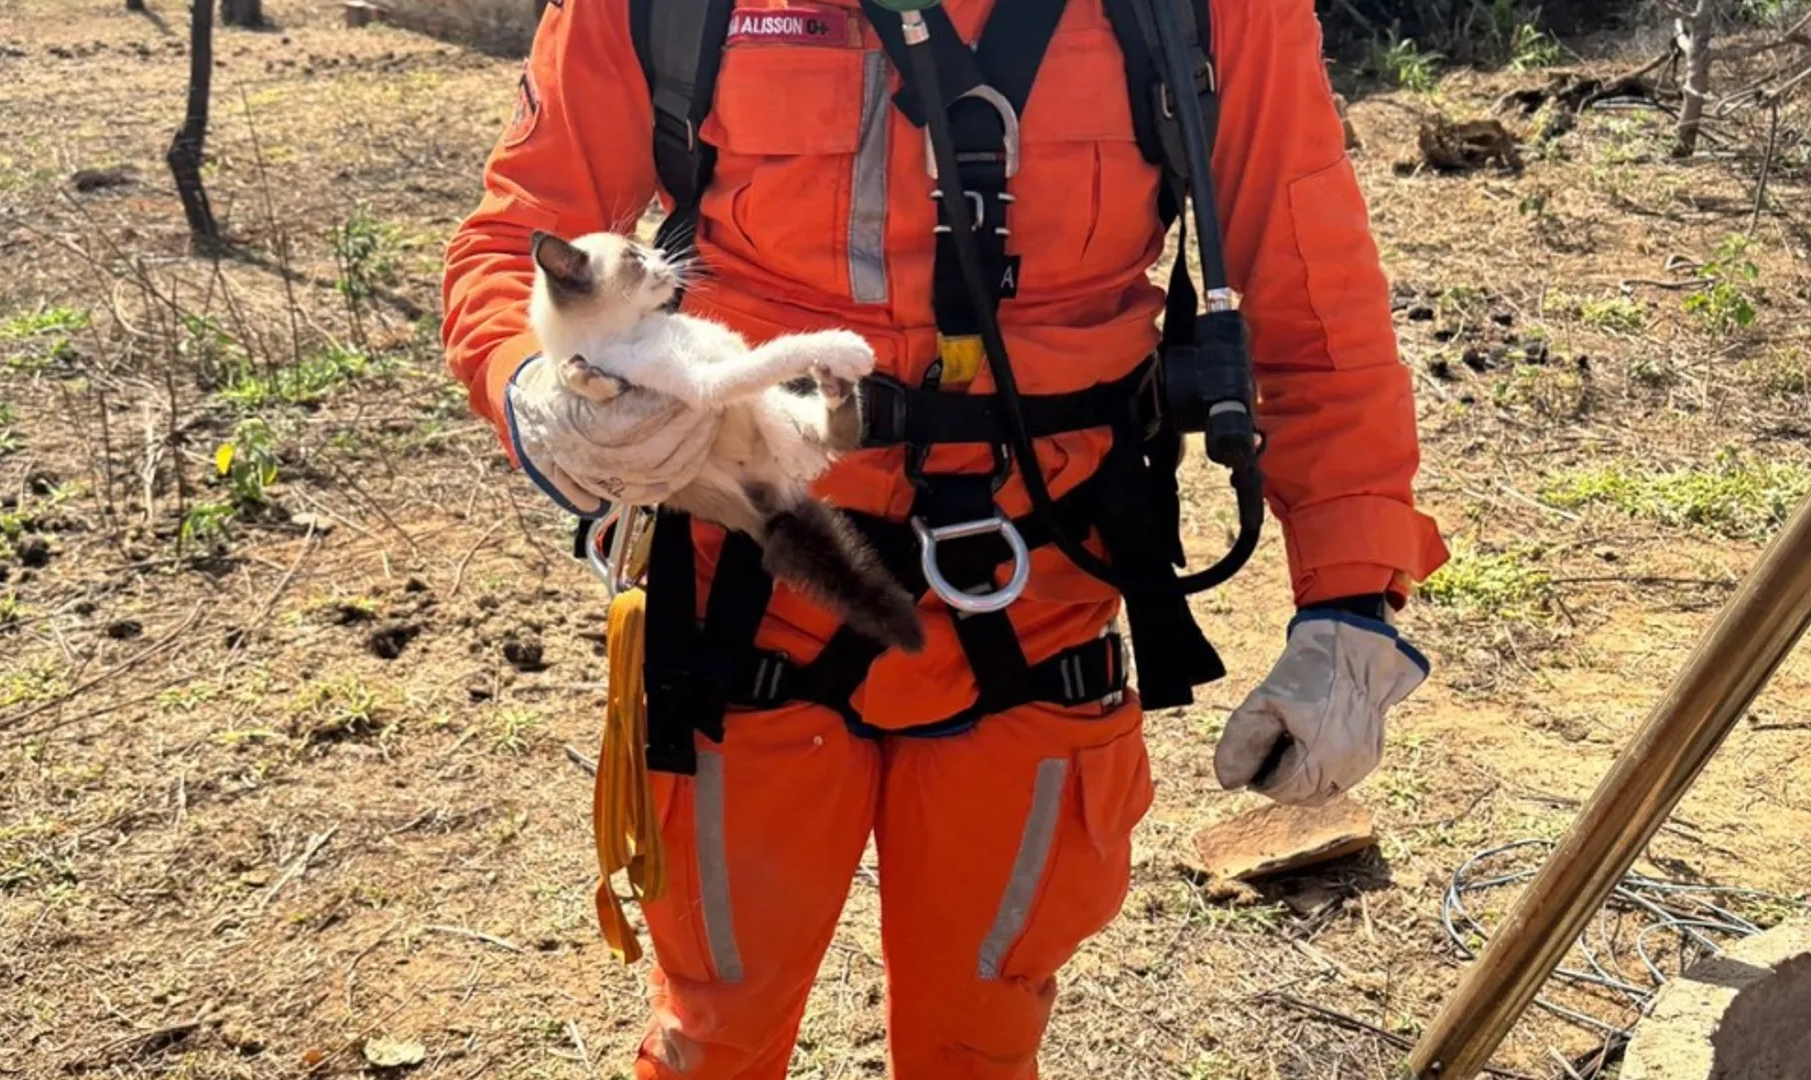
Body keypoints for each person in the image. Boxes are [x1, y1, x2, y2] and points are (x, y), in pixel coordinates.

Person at [441, 1, 1450, 1076]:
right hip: (747, 600)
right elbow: (516, 238)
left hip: (1040, 603)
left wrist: (1348, 599)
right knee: (714, 1033)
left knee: (982, 1033)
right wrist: (528, 386)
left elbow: (1308, 290)